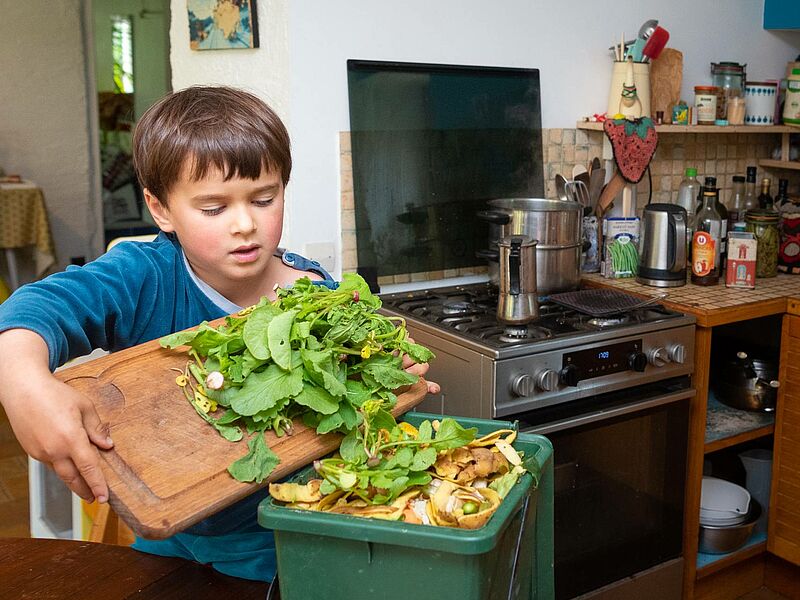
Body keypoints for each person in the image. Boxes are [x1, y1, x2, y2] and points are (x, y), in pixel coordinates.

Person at [0, 86, 439, 581]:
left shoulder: (320, 298)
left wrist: (380, 380)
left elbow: (350, 418)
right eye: (214, 208)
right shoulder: (143, 276)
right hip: (168, 526)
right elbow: (40, 305)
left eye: (264, 198)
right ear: (161, 209)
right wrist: (21, 378)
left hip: (282, 537)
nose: (245, 224)